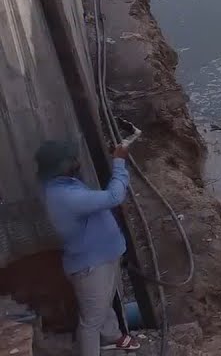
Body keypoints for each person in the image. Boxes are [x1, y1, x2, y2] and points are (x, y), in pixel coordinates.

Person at [37, 140, 141, 355]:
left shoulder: (63, 184)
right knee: (90, 321)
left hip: (102, 256)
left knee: (104, 303)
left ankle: (113, 336)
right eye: (71, 160)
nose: (77, 162)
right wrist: (119, 162)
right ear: (59, 167)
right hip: (91, 264)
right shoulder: (65, 196)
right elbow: (114, 196)